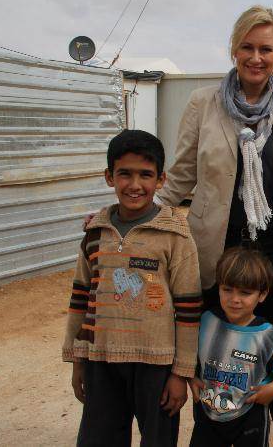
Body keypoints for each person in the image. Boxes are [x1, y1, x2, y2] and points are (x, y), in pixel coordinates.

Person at [153, 6, 273, 445]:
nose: (256, 57)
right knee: (216, 358)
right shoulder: (203, 103)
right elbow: (181, 175)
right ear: (234, 49)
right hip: (216, 259)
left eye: (266, 48)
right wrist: (143, 215)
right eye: (248, 47)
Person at [63, 129, 202, 446]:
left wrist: (180, 373)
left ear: (161, 179)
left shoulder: (175, 237)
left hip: (157, 363)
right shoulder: (95, 233)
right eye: (124, 174)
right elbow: (81, 299)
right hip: (102, 360)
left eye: (145, 175)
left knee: (157, 440)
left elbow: (189, 309)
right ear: (109, 177)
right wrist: (78, 361)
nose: (135, 185)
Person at [189, 247, 273, 447]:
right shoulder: (206, 322)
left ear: (262, 294)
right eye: (227, 289)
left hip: (249, 416)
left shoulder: (266, 334)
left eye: (245, 293)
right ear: (218, 286)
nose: (234, 299)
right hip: (207, 414)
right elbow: (191, 356)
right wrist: (192, 377)